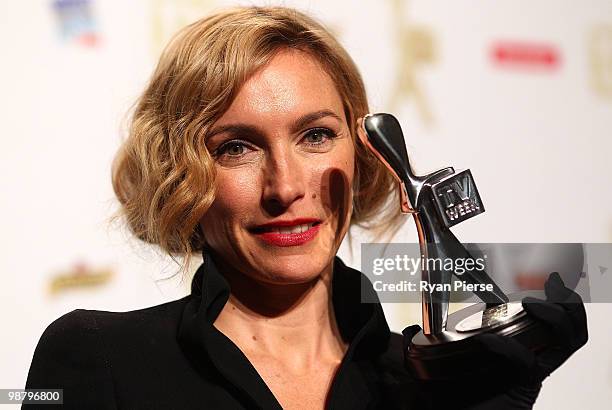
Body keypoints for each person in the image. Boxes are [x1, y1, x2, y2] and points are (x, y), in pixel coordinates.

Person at [24, 6, 587, 409]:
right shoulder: (97, 359)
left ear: (364, 153)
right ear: (181, 173)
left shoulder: (425, 382)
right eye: (236, 147)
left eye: (315, 136)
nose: (285, 186)